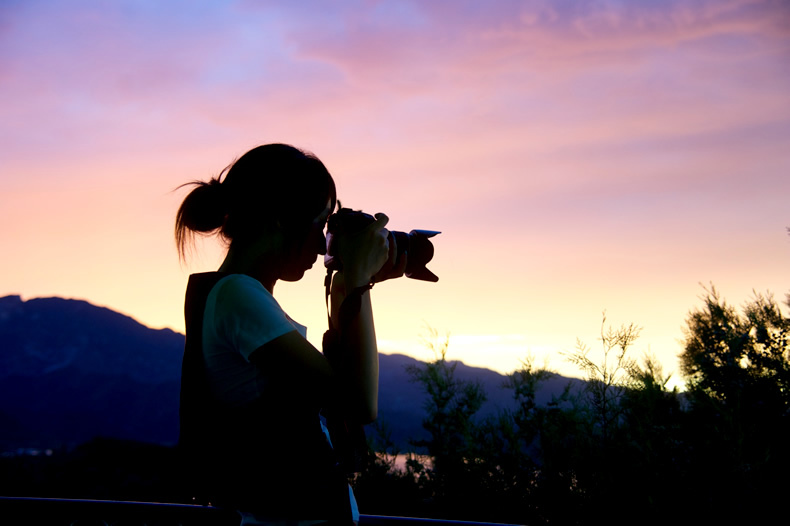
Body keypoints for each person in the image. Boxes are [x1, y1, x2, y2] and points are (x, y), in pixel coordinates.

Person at [174, 144, 401, 524]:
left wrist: (349, 280)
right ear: (281, 218)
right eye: (320, 222)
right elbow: (359, 402)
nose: (320, 242)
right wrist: (358, 280)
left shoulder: (239, 296)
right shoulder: (238, 296)